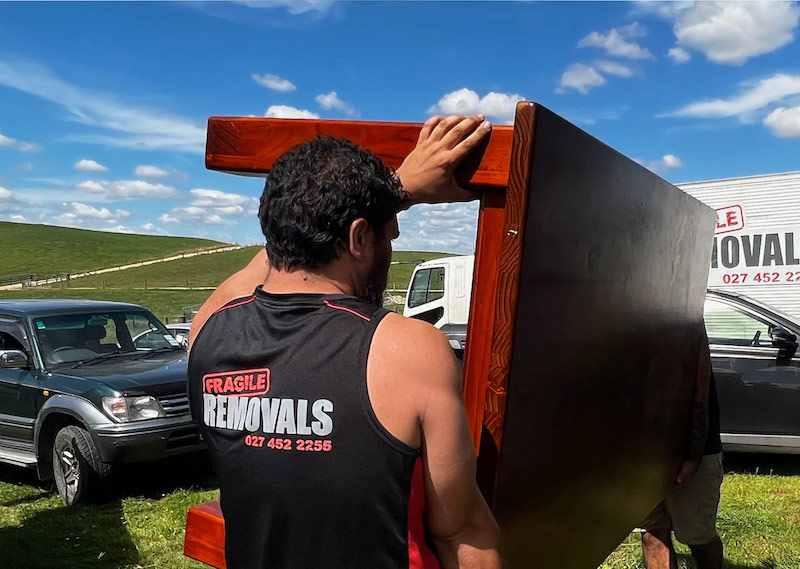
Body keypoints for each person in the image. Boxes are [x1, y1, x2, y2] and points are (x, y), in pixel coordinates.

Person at [188, 114, 503, 569]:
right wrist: (395, 192)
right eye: (387, 236)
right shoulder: (410, 352)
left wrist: (393, 191)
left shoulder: (208, 336)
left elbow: (246, 279)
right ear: (358, 238)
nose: (389, 251)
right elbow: (462, 532)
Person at [640, 332, 724, 569]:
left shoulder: (686, 315)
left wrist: (693, 457)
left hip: (691, 451)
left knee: (698, 538)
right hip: (643, 455)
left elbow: (700, 392)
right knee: (652, 534)